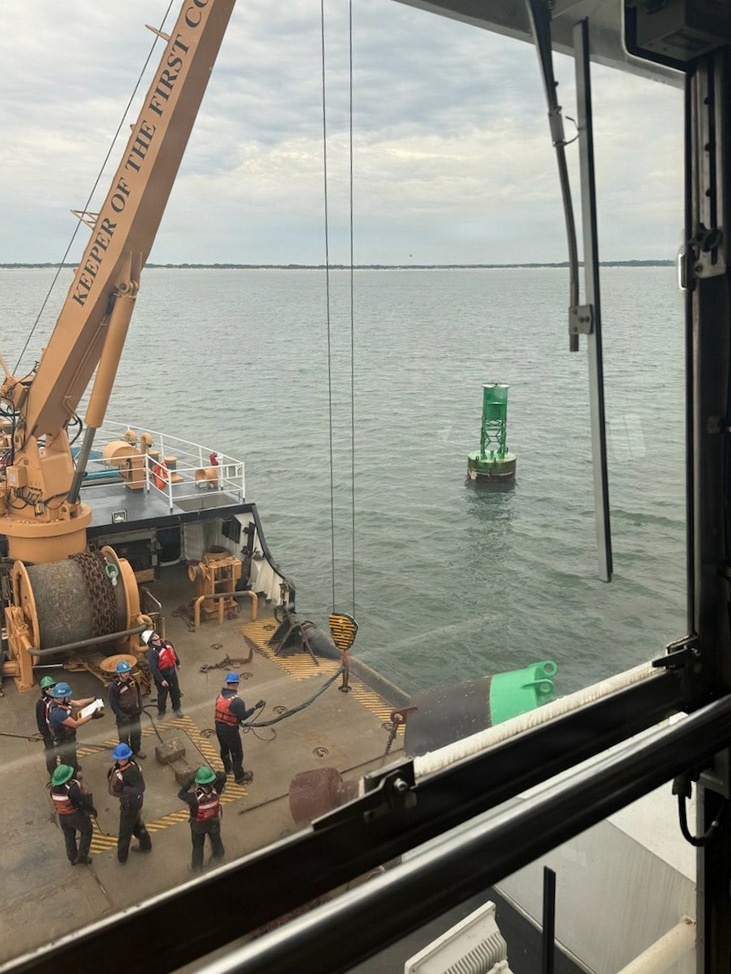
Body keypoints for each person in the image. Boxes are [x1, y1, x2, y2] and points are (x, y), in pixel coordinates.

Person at [214, 672, 264, 784]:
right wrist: (255, 707)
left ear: (228, 683)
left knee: (224, 749)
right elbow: (243, 716)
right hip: (230, 731)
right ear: (236, 684)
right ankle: (239, 776)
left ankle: (227, 768)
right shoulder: (238, 702)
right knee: (237, 753)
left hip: (218, 727)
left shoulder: (220, 697)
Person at [107, 742, 152, 863]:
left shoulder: (132, 771)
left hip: (130, 804)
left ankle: (122, 857)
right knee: (137, 825)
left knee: (124, 832)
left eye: (122, 759)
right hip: (134, 803)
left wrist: (123, 789)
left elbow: (140, 787)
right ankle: (146, 845)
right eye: (118, 759)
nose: (120, 761)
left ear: (127, 758)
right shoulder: (129, 766)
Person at [177, 766, 228, 873]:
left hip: (198, 826)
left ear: (198, 782)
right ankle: (218, 856)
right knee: (216, 840)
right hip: (214, 821)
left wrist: (190, 781)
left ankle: (196, 867)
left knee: (198, 847)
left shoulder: (193, 798)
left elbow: (181, 794)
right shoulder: (216, 789)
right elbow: (222, 775)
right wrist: (214, 778)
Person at [47, 681, 103, 774]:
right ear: (61, 697)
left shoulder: (61, 702)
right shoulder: (57, 713)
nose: (69, 698)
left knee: (72, 756)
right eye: (67, 696)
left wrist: (94, 699)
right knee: (67, 761)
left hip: (69, 738)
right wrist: (92, 716)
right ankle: (70, 778)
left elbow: (78, 703)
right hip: (63, 741)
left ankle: (74, 768)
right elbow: (75, 724)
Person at [50, 764, 96, 866]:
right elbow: (81, 802)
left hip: (62, 816)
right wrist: (91, 810)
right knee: (87, 831)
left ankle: (72, 857)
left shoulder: (52, 789)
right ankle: (82, 856)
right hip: (75, 815)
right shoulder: (72, 789)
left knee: (69, 836)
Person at [108, 660, 146, 759]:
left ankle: (136, 750)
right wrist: (121, 715)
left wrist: (140, 706)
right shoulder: (114, 687)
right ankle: (126, 755)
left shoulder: (132, 680)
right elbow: (113, 704)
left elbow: (138, 693)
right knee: (124, 738)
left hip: (134, 712)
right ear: (119, 673)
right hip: (123, 715)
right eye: (124, 672)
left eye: (127, 671)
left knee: (136, 734)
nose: (126, 674)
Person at [142, 629, 183, 717]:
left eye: (155, 634)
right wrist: (161, 680)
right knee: (162, 695)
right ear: (150, 640)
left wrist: (178, 663)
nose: (155, 635)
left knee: (175, 692)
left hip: (172, 673)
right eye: (152, 636)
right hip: (163, 675)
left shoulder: (167, 643)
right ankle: (161, 711)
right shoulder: (152, 653)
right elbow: (154, 669)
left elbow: (173, 653)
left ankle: (177, 709)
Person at [36, 676, 60, 776]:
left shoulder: (59, 697)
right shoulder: (41, 704)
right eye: (47, 688)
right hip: (49, 734)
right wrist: (46, 735)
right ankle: (53, 773)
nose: (50, 689)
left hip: (60, 730)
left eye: (52, 686)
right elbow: (40, 721)